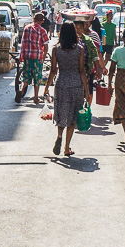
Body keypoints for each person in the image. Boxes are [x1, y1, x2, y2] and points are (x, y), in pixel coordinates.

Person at [43, 22, 88, 157]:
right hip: (75, 85)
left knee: (62, 114)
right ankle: (67, 148)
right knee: (72, 118)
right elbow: (81, 71)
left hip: (61, 84)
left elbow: (52, 71)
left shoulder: (56, 49)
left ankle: (59, 136)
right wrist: (87, 90)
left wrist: (46, 88)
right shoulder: (79, 49)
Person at [15, 11, 50, 104]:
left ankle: (21, 91)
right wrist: (43, 56)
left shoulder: (26, 28)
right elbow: (46, 46)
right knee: (37, 77)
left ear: (34, 19)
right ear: (42, 21)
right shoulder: (42, 31)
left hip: (27, 57)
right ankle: (35, 98)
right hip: (37, 57)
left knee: (26, 76)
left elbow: (22, 43)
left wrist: (22, 55)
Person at [74, 18, 104, 105]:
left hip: (87, 71)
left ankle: (87, 109)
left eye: (80, 28)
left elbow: (95, 55)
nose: (78, 30)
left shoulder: (88, 40)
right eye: (76, 28)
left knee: (88, 90)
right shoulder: (70, 40)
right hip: (74, 71)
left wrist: (98, 70)